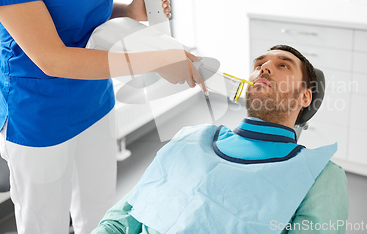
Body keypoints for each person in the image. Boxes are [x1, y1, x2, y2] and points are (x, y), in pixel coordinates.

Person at [0, 0, 207, 233]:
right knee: (45, 225)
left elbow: (73, 9)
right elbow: (52, 58)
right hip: (37, 113)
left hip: (95, 96)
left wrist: (128, 11)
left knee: (100, 213)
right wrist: (160, 59)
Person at [91, 45, 349, 234]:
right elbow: (122, 219)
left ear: (305, 97)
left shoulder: (320, 176)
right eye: (259, 64)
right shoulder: (191, 137)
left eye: (283, 65)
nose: (263, 68)